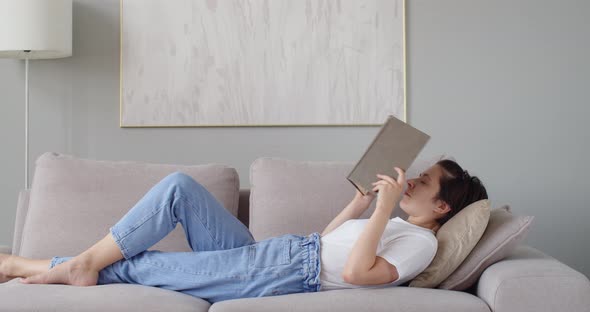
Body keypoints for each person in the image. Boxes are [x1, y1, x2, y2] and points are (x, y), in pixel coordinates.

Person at [0, 158, 487, 303]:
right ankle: (80, 263)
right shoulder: (397, 224)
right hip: (283, 251)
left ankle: (35, 264)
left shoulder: (421, 243)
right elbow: (330, 241)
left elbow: (359, 273)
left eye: (424, 182)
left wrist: (381, 212)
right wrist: (359, 203)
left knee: (137, 267)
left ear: (442, 205)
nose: (412, 181)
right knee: (178, 188)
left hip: (282, 272)